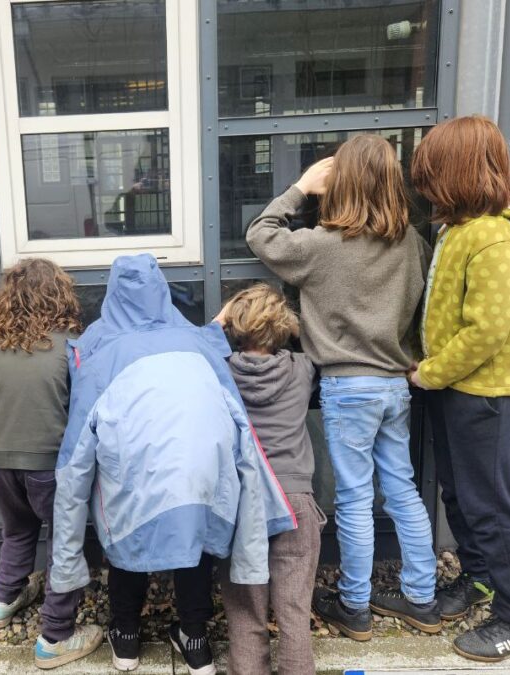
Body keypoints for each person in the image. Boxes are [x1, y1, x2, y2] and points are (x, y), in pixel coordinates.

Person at [50, 253, 296, 675]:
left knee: (126, 533)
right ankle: (195, 641)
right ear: (162, 291)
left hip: (134, 463)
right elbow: (216, 352)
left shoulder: (98, 344)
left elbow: (76, 456)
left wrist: (67, 557)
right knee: (194, 539)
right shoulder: (194, 338)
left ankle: (125, 638)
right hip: (201, 462)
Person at [246, 134, 440, 641]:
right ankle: (421, 598)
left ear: (340, 185)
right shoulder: (414, 246)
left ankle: (355, 606)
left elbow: (261, 234)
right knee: (402, 489)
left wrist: (299, 189)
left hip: (346, 388)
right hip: (396, 386)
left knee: (354, 498)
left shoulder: (320, 247)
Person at [409, 115, 510, 662]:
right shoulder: (458, 229)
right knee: (459, 495)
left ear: (459, 173)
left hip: (486, 393)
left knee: (490, 504)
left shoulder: (492, 236)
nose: (424, 188)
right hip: (456, 389)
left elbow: (489, 329)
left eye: (431, 175)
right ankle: (482, 579)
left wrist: (429, 373)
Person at [0, 258, 102, 669]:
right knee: (63, 544)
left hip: (1, 459)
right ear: (59, 295)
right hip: (50, 464)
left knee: (17, 531)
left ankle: (4, 602)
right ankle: (55, 636)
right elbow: (83, 402)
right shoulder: (69, 342)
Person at [213, 283, 326, 675]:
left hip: (245, 505)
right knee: (295, 612)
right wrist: (285, 323)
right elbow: (320, 340)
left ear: (234, 327)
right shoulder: (301, 369)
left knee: (245, 614)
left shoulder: (220, 371)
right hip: (294, 500)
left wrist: (227, 316)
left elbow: (202, 343)